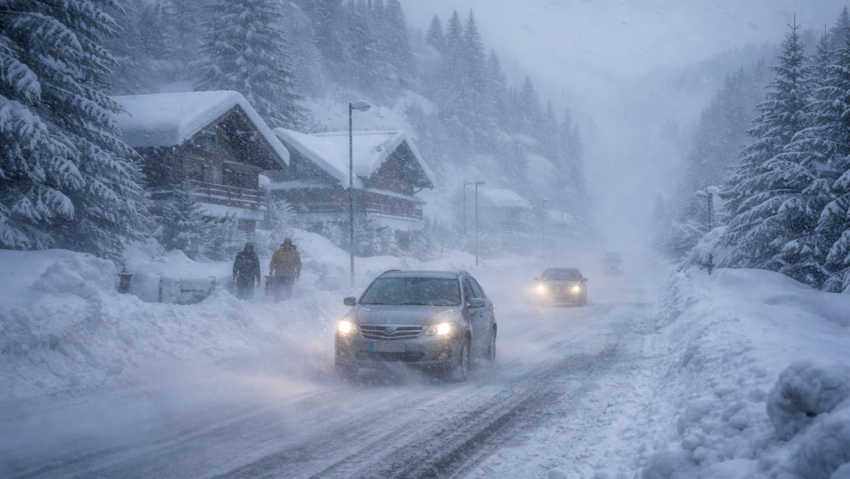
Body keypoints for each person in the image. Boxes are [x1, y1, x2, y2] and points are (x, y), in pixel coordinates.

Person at [269, 237, 301, 302]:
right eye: (285, 243)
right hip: (279, 274)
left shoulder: (295, 253)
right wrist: (271, 269)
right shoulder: (278, 252)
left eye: (288, 243)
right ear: (283, 244)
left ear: (290, 244)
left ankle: (288, 302)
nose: (286, 245)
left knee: (288, 289)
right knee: (277, 288)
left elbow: (298, 263)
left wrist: (298, 271)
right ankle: (276, 301)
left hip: (290, 274)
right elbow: (273, 261)